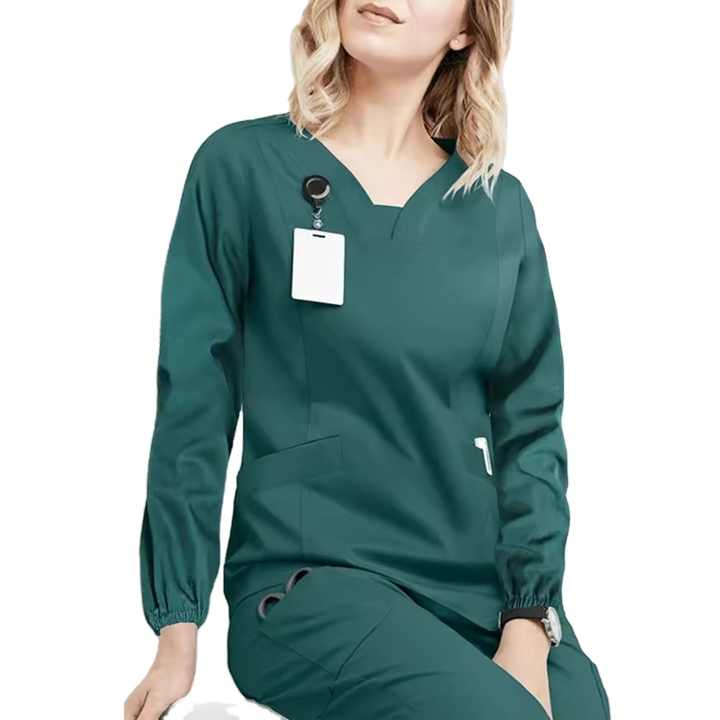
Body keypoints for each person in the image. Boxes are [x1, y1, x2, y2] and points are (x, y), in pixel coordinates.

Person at [125, 1, 612, 718]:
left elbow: (531, 430)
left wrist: (527, 617)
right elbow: (194, 404)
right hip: (311, 582)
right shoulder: (243, 168)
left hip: (474, 593)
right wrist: (178, 626)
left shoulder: (499, 210)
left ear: (467, 28)